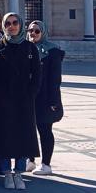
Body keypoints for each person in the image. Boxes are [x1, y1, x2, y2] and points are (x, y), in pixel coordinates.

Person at [0, 12, 41, 190]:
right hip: (3, 101)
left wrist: (30, 94)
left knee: (22, 137)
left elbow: (37, 75)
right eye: (8, 23)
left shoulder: (30, 48)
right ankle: (6, 173)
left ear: (20, 25)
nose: (11, 26)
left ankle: (18, 172)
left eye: (15, 23)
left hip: (23, 101)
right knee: (4, 136)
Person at [28, 20, 63, 176]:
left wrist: (53, 101)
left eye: (37, 31)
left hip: (45, 98)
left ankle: (46, 164)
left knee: (45, 130)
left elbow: (55, 78)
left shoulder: (52, 51)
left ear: (43, 32)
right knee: (29, 129)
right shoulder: (27, 48)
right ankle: (30, 160)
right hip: (30, 96)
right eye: (30, 30)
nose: (33, 34)